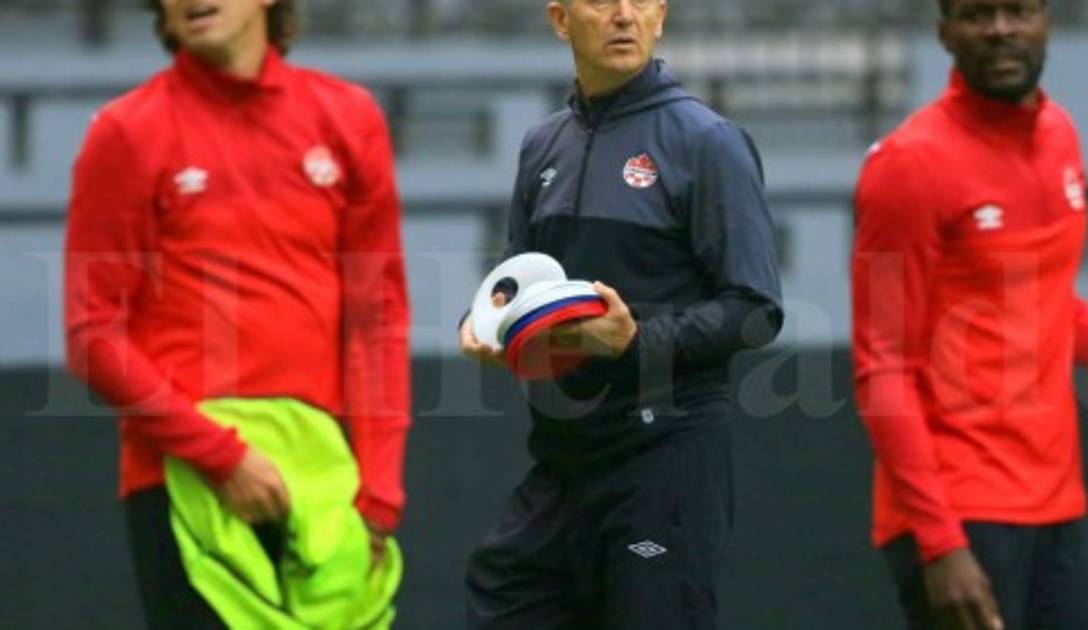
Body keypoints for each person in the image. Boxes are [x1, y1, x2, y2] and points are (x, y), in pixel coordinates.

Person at [63, 0, 411, 626]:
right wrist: (223, 459)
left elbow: (377, 320)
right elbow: (92, 334)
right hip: (186, 481)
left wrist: (379, 494)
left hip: (326, 488)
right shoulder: (126, 131)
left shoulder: (348, 116)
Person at [458, 0, 783, 627]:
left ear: (661, 17)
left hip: (663, 459)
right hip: (562, 456)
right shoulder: (541, 144)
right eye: (603, 1)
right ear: (561, 20)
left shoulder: (707, 141)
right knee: (500, 592)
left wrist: (636, 341)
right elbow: (514, 279)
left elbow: (756, 308)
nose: (624, 16)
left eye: (641, 2)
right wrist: (483, 324)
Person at [851, 1, 1088, 629]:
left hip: (1057, 510)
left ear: (1045, 19)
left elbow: (1034, 306)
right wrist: (939, 542)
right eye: (977, 14)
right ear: (945, 32)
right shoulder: (907, 166)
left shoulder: (1061, 136)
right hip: (958, 516)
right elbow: (881, 369)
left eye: (1017, 10)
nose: (1000, 29)